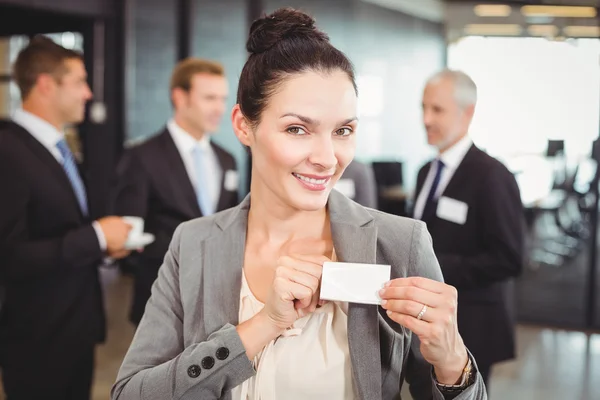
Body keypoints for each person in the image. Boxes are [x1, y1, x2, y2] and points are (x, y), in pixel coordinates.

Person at [111, 8, 487, 400]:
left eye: (343, 130)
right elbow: (130, 393)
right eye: (297, 129)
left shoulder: (399, 243)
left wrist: (452, 361)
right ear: (243, 125)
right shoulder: (193, 244)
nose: (327, 157)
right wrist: (262, 325)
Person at [0, 36, 132, 399]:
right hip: (36, 337)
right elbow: (9, 256)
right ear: (46, 84)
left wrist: (105, 247)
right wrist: (97, 238)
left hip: (76, 329)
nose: (88, 93)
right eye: (79, 82)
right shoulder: (8, 152)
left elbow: (60, 228)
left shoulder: (59, 146)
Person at [413, 69, 524, 389]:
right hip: (428, 324)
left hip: (472, 324)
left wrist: (433, 266)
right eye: (423, 108)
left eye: (437, 110)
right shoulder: (425, 173)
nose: (426, 119)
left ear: (468, 113)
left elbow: (509, 258)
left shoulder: (492, 176)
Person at [112, 57, 239, 325]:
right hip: (161, 298)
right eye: (209, 98)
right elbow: (129, 232)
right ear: (180, 98)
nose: (220, 108)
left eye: (222, 98)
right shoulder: (142, 156)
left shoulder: (227, 159)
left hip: (217, 300)